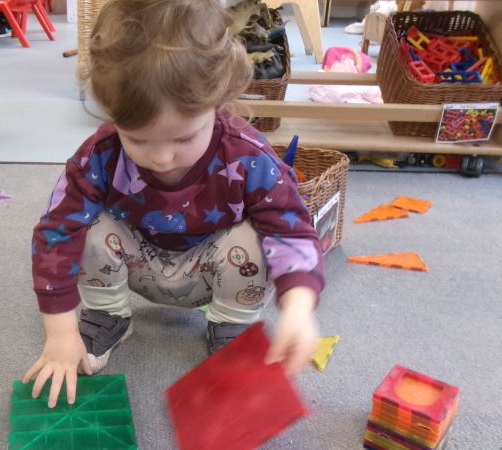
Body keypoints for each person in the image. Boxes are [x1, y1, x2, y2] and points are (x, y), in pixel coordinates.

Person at [23, 0, 325, 409]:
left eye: (184, 138)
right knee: (87, 223)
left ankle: (232, 328)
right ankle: (108, 317)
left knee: (256, 236)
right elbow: (56, 233)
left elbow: (292, 229)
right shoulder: (99, 154)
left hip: (216, 272)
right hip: (136, 263)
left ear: (220, 101)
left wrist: (299, 307)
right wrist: (60, 334)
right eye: (137, 139)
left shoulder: (248, 156)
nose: (162, 158)